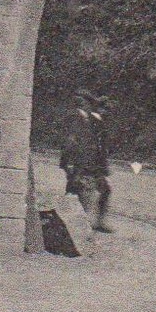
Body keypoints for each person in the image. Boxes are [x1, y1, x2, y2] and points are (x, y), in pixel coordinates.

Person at [61, 87, 115, 232]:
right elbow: (70, 143)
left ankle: (95, 223)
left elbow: (98, 147)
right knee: (78, 192)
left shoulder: (91, 119)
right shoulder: (74, 117)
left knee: (101, 190)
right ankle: (73, 227)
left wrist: (103, 169)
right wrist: (70, 165)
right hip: (79, 164)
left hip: (91, 165)